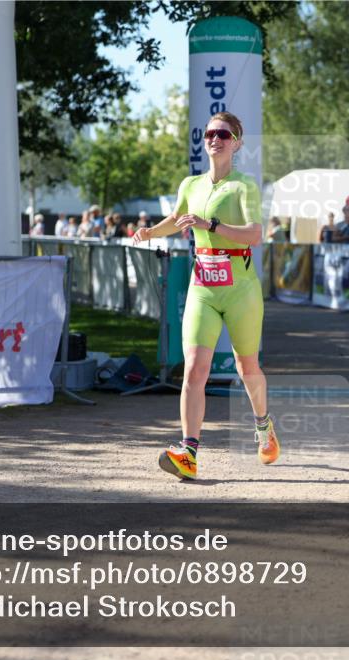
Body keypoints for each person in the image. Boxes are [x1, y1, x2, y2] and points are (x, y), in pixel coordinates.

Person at [132, 111, 278, 480]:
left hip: (241, 289)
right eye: (210, 133)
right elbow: (176, 219)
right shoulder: (191, 184)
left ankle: (263, 425)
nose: (215, 139)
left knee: (247, 368)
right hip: (203, 287)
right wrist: (150, 232)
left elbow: (254, 235)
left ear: (237, 143)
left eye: (223, 134)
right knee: (195, 369)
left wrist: (210, 224)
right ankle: (189, 452)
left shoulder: (244, 186)